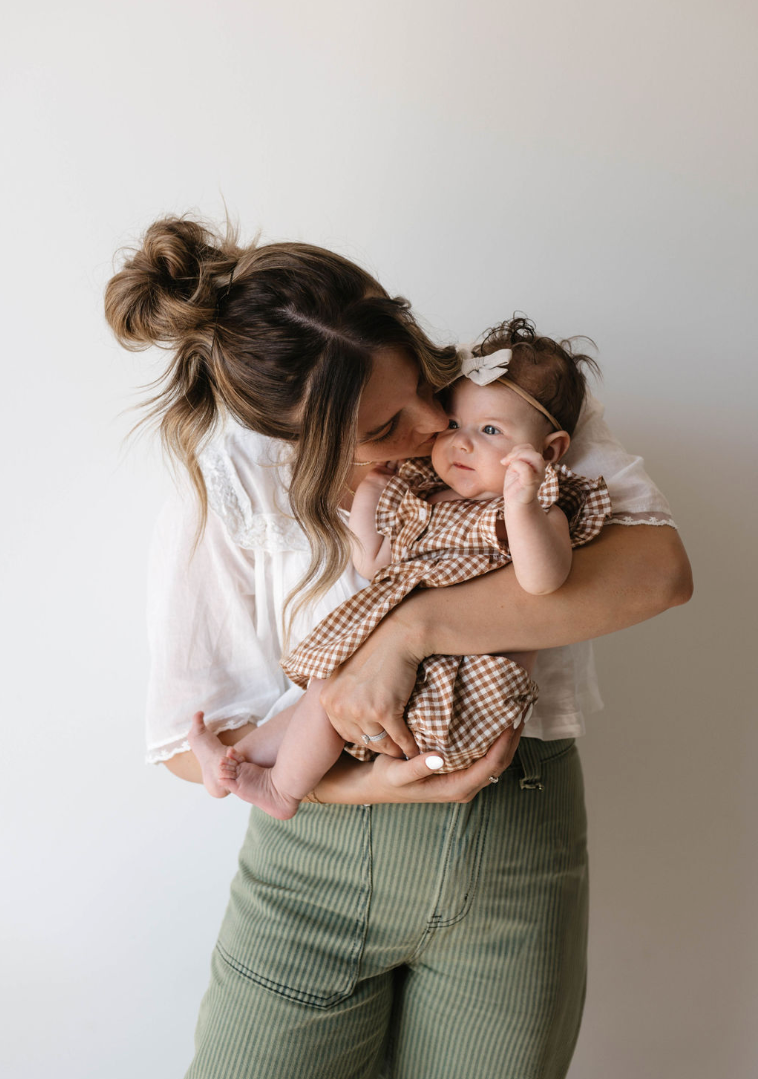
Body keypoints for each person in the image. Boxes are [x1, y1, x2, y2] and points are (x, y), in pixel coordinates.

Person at [105, 215, 692, 1079]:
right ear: (296, 442)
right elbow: (187, 742)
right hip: (313, 869)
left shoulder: (514, 397)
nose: (433, 425)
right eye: (385, 426)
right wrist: (355, 782)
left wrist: (410, 635)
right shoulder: (228, 481)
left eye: (423, 381)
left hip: (514, 849)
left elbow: (658, 573)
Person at [187, 321, 613, 819]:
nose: (461, 442)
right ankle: (239, 762)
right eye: (455, 425)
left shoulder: (538, 510)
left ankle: (282, 791)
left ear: (550, 451)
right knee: (327, 692)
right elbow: (373, 565)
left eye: (490, 430)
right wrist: (370, 497)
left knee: (331, 694)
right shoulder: (425, 500)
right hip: (400, 684)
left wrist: (521, 506)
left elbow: (544, 581)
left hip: (462, 687)